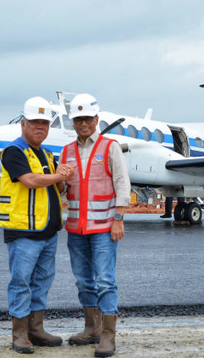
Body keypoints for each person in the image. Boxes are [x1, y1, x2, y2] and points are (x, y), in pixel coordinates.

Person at [0, 96, 74, 354]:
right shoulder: (14, 152)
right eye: (35, 123)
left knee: (42, 280)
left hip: (48, 231)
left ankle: (36, 329)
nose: (40, 127)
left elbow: (58, 188)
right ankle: (19, 333)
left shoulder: (46, 153)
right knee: (21, 281)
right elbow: (30, 180)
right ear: (23, 124)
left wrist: (63, 177)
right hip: (23, 231)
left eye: (44, 123)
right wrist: (57, 175)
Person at [60, 94, 131, 357]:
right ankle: (91, 328)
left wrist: (119, 218)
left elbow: (122, 184)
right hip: (76, 229)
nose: (83, 123)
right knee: (83, 282)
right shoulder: (66, 151)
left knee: (105, 281)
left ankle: (108, 336)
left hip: (104, 227)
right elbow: (61, 187)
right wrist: (59, 180)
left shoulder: (109, 147)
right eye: (78, 119)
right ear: (73, 122)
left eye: (87, 118)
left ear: (96, 119)